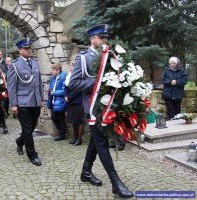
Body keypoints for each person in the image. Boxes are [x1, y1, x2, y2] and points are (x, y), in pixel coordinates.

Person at [69, 24, 134, 198]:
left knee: (97, 141)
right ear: (93, 39)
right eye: (102, 37)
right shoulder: (83, 58)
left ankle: (86, 172)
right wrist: (97, 82)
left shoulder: (111, 56)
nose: (105, 40)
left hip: (108, 107)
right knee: (102, 143)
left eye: (106, 38)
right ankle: (116, 183)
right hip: (93, 107)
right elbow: (73, 83)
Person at [7, 38, 44, 166]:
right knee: (27, 130)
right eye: (27, 48)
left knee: (32, 127)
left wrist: (41, 99)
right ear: (20, 50)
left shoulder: (35, 62)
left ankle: (19, 141)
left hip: (35, 101)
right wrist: (13, 104)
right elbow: (11, 86)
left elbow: (39, 82)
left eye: (30, 48)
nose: (30, 50)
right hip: (22, 102)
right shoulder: (15, 65)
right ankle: (32, 155)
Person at [65, 61, 84, 146]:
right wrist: (66, 95)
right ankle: (75, 137)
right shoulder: (68, 75)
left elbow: (78, 89)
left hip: (78, 101)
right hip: (70, 102)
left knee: (79, 121)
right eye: (70, 64)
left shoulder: (80, 75)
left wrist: (69, 97)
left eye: (73, 65)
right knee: (73, 121)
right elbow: (65, 87)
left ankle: (79, 139)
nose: (71, 66)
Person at [46, 63, 67, 141]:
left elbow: (63, 91)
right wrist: (50, 91)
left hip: (60, 101)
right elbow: (53, 88)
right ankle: (62, 130)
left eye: (53, 70)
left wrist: (54, 92)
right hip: (53, 101)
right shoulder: (53, 78)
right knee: (54, 117)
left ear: (58, 70)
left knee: (60, 118)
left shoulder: (62, 78)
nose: (52, 71)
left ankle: (62, 134)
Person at [0, 50, 9, 117]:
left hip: (4, 83)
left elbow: (8, 70)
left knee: (5, 98)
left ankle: (5, 112)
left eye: (0, 54)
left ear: (2, 55)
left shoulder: (5, 62)